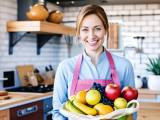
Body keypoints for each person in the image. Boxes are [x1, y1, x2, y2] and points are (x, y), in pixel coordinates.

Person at [52, 4, 136, 120]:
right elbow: (58, 112)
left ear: (106, 30)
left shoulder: (124, 66)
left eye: (97, 28)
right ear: (78, 33)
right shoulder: (65, 67)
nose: (91, 36)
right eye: (85, 29)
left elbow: (131, 111)